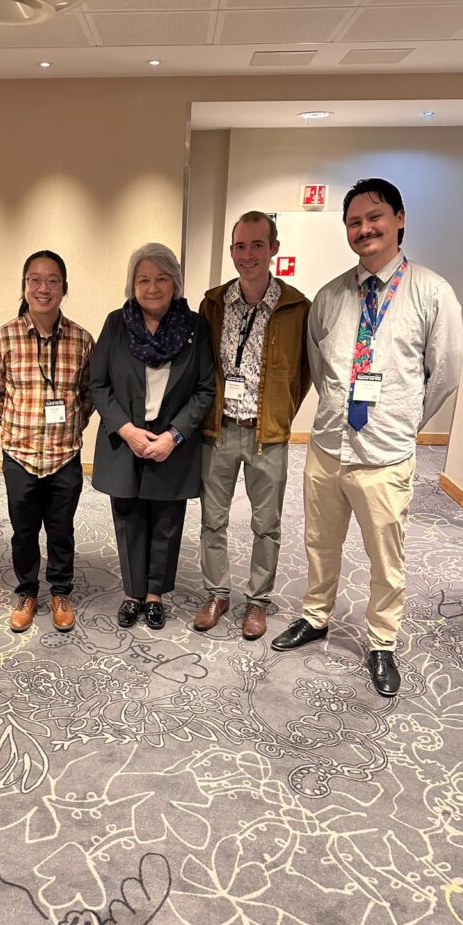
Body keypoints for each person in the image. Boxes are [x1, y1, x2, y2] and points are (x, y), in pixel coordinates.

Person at [272, 179, 463, 696]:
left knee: (386, 556)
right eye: (354, 222)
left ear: (400, 218)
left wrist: (404, 424)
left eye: (374, 217)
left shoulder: (431, 291)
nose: (365, 229)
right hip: (328, 446)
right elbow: (318, 366)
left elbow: (444, 372)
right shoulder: (332, 296)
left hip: (384, 454)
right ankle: (315, 617)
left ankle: (381, 641)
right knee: (319, 543)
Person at [194, 211, 311, 639]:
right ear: (231, 252)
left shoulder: (296, 306)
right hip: (219, 429)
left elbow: (304, 370)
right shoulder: (214, 303)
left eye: (257, 245)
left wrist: (280, 412)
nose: (248, 255)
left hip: (268, 434)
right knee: (213, 519)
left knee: (267, 523)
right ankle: (217, 593)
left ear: (273, 249)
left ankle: (257, 601)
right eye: (240, 246)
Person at [91, 242, 215, 629]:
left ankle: (155, 594)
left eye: (162, 278)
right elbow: (99, 384)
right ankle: (132, 593)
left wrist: (174, 436)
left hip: (171, 443)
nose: (153, 287)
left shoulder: (195, 326)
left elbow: (205, 389)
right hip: (125, 439)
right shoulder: (116, 323)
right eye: (143, 279)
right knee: (128, 517)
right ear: (132, 284)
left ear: (175, 282)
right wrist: (126, 430)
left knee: (166, 519)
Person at [0, 250, 93, 634]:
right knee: (24, 530)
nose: (43, 288)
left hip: (64, 454)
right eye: (34, 279)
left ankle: (61, 591)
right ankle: (28, 591)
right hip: (20, 454)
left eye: (52, 280)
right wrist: (17, 426)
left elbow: (88, 394)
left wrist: (71, 428)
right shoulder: (3, 338)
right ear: (24, 285)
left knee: (62, 529)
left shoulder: (82, 339)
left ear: (64, 288)